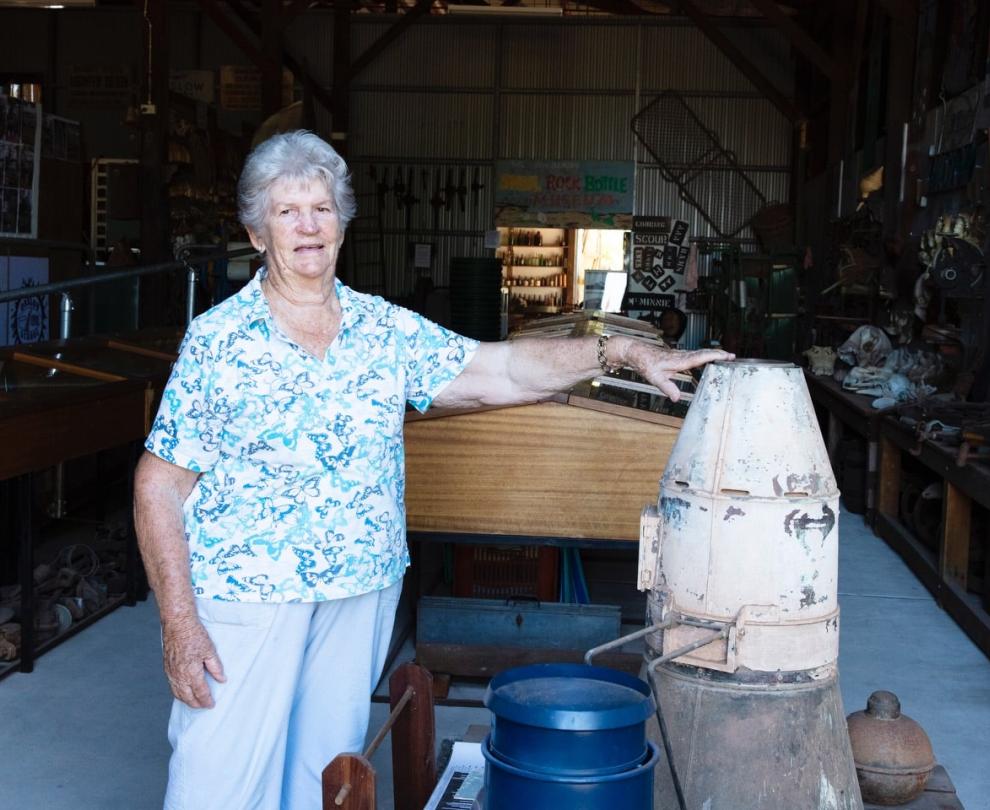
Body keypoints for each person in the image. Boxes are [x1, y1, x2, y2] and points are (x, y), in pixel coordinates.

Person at [134, 130, 731, 810]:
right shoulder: (220, 341)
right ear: (256, 231)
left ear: (342, 223)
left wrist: (618, 352)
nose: (308, 226)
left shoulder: (381, 329)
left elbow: (501, 367)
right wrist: (179, 625)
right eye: (287, 211)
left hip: (358, 594)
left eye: (322, 209)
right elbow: (158, 484)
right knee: (219, 781)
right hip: (248, 596)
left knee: (325, 779)